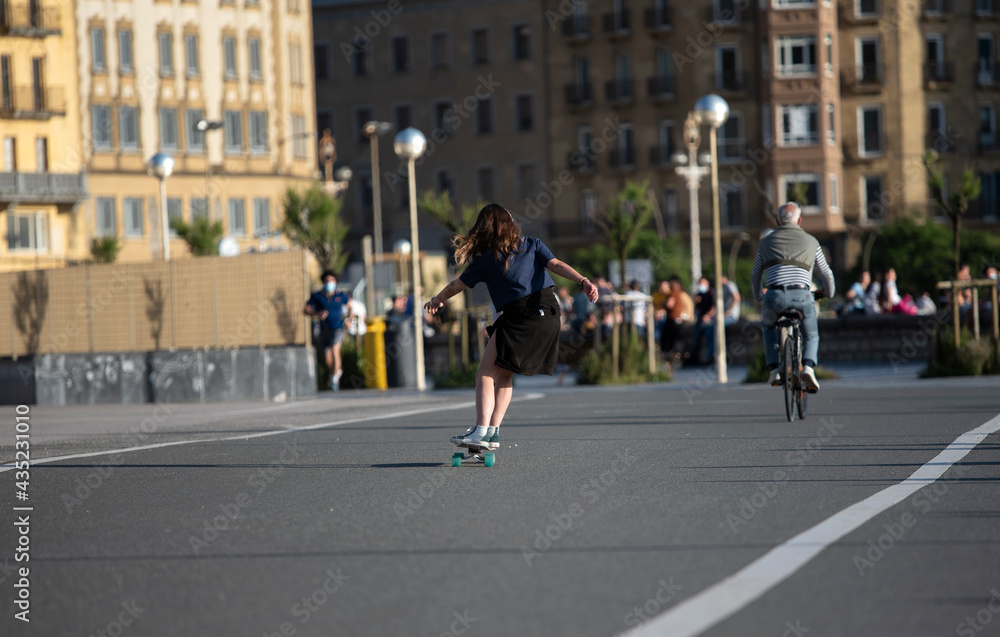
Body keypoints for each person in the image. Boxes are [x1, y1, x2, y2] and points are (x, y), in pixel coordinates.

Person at [425, 203, 598, 452]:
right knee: (504, 374)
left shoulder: (487, 259)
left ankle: (481, 430)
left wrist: (436, 300)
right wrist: (583, 280)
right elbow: (557, 264)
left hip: (519, 316)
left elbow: (455, 285)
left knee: (485, 374)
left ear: (484, 229)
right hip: (549, 314)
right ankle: (493, 432)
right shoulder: (533, 244)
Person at [751, 202, 835, 392]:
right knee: (811, 334)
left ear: (777, 220)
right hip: (802, 295)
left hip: (773, 296)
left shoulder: (765, 242)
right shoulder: (812, 241)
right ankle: (807, 367)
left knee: (769, 326)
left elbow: (756, 274)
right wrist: (828, 293)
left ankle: (774, 370)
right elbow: (826, 274)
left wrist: (758, 296)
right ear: (799, 220)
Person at [304, 270, 353, 391]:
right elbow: (306, 310)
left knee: (335, 350)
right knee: (327, 358)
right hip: (323, 329)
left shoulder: (341, 295)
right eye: (327, 281)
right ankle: (336, 372)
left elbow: (350, 307)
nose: (329, 283)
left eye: (331, 281)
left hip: (337, 328)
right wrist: (317, 313)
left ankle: (334, 379)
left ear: (336, 282)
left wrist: (349, 320)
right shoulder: (317, 296)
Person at [659, 275, 693, 361]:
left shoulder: (675, 292)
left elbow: (670, 305)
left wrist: (663, 304)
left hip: (674, 319)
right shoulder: (678, 293)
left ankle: (668, 355)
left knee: (667, 338)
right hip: (677, 320)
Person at [690, 276, 716, 365]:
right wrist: (696, 301)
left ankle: (709, 357)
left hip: (710, 320)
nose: (701, 285)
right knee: (696, 338)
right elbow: (695, 307)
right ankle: (694, 358)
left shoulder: (712, 293)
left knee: (709, 336)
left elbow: (715, 307)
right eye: (700, 283)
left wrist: (708, 315)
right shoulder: (699, 294)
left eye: (703, 283)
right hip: (701, 320)